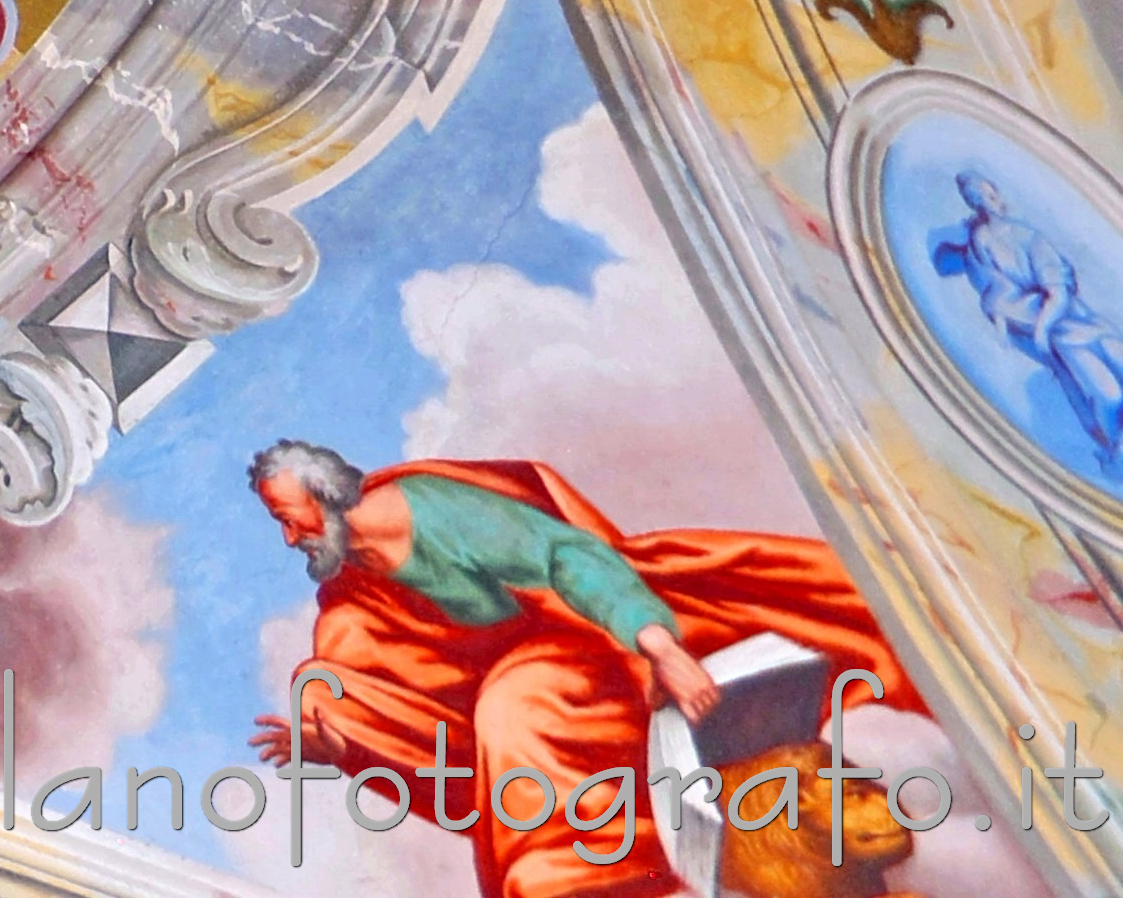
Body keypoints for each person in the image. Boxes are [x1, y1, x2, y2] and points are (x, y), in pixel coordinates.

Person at [244, 440, 915, 898]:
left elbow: (570, 559)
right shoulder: (355, 582)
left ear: (324, 493)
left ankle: (571, 875)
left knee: (523, 701)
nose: (287, 536)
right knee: (327, 690)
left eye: (287, 517)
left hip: (605, 638)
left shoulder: (437, 512)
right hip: (513, 684)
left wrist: (660, 648)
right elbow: (399, 674)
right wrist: (351, 749)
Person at [927, 170, 1123, 467]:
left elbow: (1057, 290)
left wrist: (1042, 327)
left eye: (987, 195)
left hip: (1074, 323)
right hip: (1058, 337)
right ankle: (1112, 449)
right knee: (1105, 396)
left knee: (1110, 370)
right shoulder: (980, 246)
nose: (984, 204)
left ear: (997, 195)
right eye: (975, 199)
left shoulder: (1027, 238)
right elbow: (994, 292)